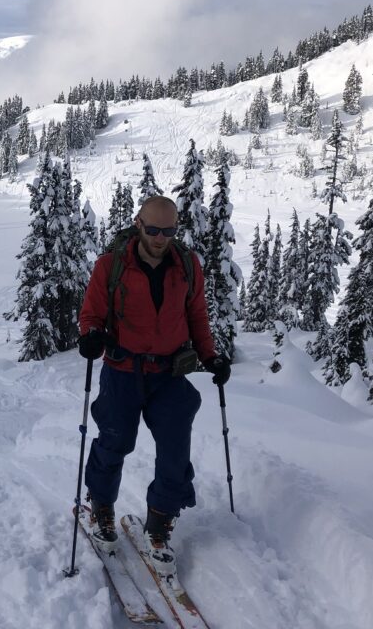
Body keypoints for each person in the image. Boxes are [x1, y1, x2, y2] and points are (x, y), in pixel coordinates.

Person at [77, 195, 231, 575]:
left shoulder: (187, 266)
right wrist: (91, 335)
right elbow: (91, 313)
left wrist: (210, 356)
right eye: (153, 229)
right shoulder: (111, 265)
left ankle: (159, 526)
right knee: (114, 441)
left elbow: (197, 316)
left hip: (169, 373)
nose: (161, 237)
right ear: (138, 224)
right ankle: (101, 507)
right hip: (122, 370)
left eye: (169, 230)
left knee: (175, 452)